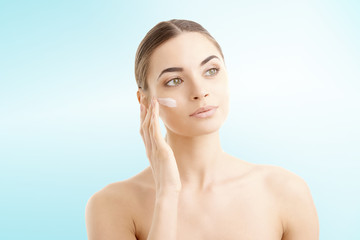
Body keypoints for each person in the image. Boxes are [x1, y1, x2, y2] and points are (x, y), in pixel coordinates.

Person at [85, 19, 319, 240]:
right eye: (175, 80)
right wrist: (166, 193)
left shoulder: (286, 192)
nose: (200, 90)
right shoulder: (112, 205)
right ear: (144, 100)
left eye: (211, 71)